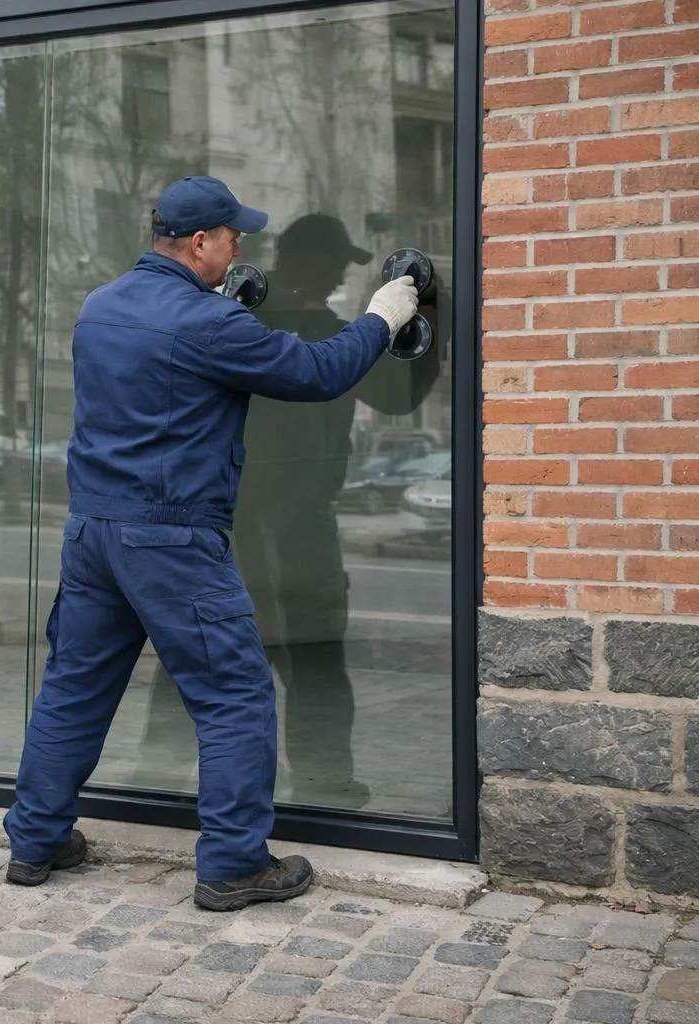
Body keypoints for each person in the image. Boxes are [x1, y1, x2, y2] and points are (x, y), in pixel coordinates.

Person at [1, 177, 419, 912]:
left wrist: (223, 309)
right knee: (235, 693)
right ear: (200, 242)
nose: (239, 249)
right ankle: (233, 863)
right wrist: (383, 316)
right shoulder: (203, 324)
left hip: (94, 531)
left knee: (74, 687)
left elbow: (162, 375)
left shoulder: (101, 308)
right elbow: (317, 373)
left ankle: (36, 841)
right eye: (233, 238)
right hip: (169, 534)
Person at [136, 212, 442, 809]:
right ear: (302, 260)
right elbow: (381, 392)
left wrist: (422, 321)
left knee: (262, 651)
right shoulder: (250, 323)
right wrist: (404, 316)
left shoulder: (272, 320)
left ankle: (175, 774)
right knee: (298, 652)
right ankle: (308, 783)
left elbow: (392, 397)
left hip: (281, 516)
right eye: (330, 263)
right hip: (249, 515)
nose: (333, 277)